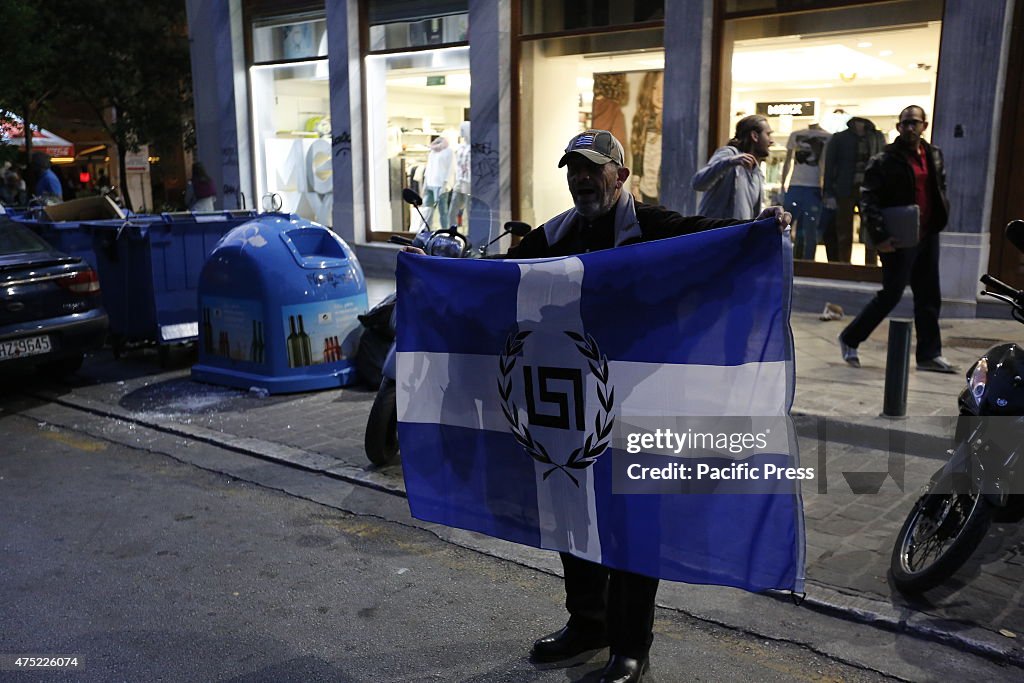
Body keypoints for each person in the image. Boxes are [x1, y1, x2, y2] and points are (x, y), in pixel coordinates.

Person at [405, 129, 791, 683]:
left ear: (621, 176)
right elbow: (497, 282)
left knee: (635, 521)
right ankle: (588, 624)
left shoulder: (656, 228)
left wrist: (762, 226)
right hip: (572, 406)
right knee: (571, 513)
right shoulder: (555, 234)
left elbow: (715, 237)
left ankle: (631, 645)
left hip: (642, 402)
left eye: (593, 169)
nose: (582, 179)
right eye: (573, 169)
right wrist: (433, 271)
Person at [838, 106, 955, 373]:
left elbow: (940, 187)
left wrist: (940, 215)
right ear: (899, 127)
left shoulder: (933, 154)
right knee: (891, 294)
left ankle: (928, 354)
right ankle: (850, 338)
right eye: (905, 124)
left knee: (928, 296)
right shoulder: (884, 159)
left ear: (924, 125)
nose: (910, 128)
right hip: (898, 237)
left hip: (927, 234)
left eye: (915, 123)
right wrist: (880, 236)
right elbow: (868, 200)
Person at [822, 117, 885, 263]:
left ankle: (871, 266)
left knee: (871, 229)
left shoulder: (876, 137)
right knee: (843, 231)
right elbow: (829, 165)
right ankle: (844, 265)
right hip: (845, 189)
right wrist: (828, 191)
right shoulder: (839, 138)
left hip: (870, 190)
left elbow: (882, 163)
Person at [692, 115, 773, 220]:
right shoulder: (730, 154)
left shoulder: (757, 173)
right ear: (754, 136)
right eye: (768, 134)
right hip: (716, 234)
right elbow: (698, 183)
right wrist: (730, 162)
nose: (771, 140)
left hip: (738, 235)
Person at [781, 123, 831, 260]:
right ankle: (784, 259)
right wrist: (782, 186)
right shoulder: (796, 135)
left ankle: (808, 261)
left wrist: (825, 188)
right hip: (796, 185)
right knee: (786, 226)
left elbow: (825, 164)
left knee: (810, 229)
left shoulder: (828, 137)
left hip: (814, 187)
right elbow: (787, 161)